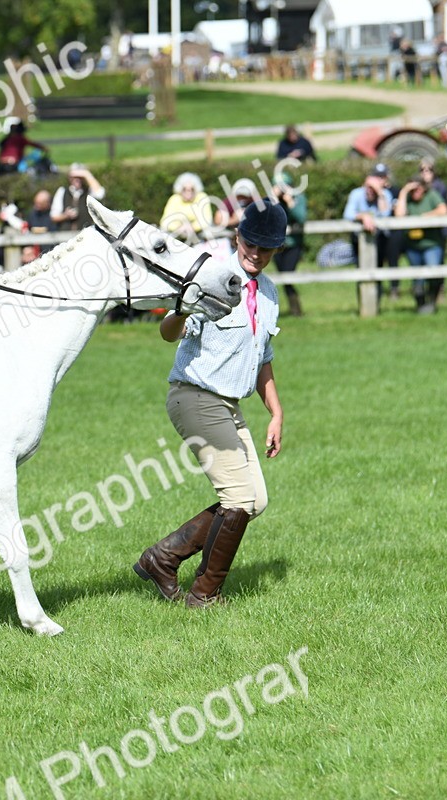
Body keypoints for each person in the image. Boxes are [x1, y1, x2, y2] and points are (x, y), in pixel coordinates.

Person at [133, 200, 286, 608]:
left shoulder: (268, 294)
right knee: (238, 498)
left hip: (229, 405)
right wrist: (181, 307)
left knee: (255, 501)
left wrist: (276, 412)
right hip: (195, 395)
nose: (256, 253)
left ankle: (162, 558)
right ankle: (204, 594)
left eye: (266, 248)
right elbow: (168, 333)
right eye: (251, 244)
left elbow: (263, 358)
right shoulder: (215, 278)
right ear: (238, 237)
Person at [395, 172, 447, 314]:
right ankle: (421, 305)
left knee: (433, 272)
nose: (416, 192)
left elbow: (443, 210)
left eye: (418, 188)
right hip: (413, 245)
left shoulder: (431, 195)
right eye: (413, 189)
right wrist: (404, 192)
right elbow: (399, 216)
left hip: (431, 244)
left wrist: (423, 217)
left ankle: (432, 302)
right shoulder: (407, 197)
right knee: (417, 276)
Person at [344, 165, 397, 300]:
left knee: (378, 270)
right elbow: (348, 214)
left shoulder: (385, 195)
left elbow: (385, 214)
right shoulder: (356, 193)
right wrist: (363, 216)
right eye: (368, 187)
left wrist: (379, 192)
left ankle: (376, 303)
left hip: (379, 240)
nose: (370, 191)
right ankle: (363, 302)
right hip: (358, 241)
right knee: (360, 271)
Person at [273, 179, 307, 317]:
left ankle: (296, 310)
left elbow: (301, 218)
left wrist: (290, 202)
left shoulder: (298, 198)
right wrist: (274, 200)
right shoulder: (273, 201)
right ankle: (294, 310)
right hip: (276, 245)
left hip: (293, 244)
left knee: (288, 275)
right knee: (283, 277)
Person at [160, 172, 214, 244]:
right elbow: (165, 222)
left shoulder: (202, 197)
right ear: (180, 189)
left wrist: (192, 227)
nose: (188, 192)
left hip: (198, 234)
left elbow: (206, 220)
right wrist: (179, 228)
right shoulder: (174, 199)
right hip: (177, 234)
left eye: (191, 189)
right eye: (184, 189)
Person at [49, 164, 106, 231]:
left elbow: (100, 194)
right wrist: (65, 216)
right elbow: (53, 217)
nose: (77, 180)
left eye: (80, 177)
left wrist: (86, 174)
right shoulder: (62, 191)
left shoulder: (89, 192)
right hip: (66, 236)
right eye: (74, 177)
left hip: (85, 235)